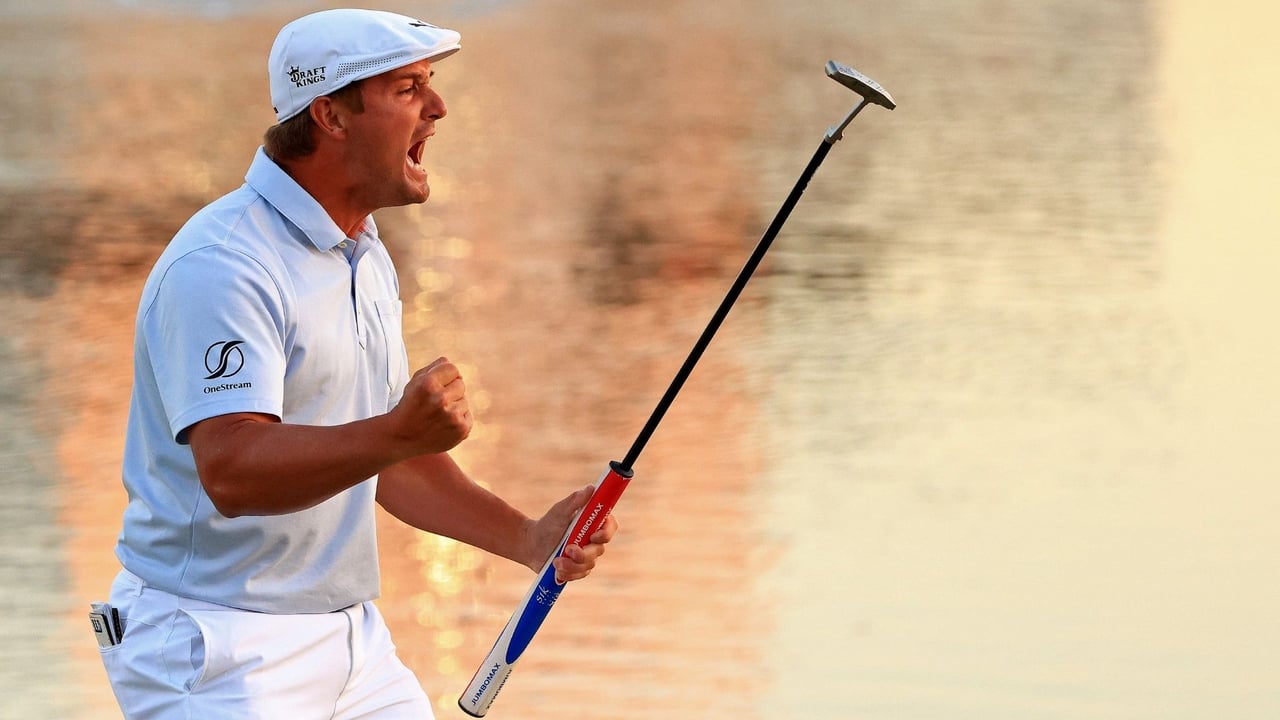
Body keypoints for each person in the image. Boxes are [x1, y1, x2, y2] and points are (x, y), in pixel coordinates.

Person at [96, 9, 616, 719]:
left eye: (429, 84)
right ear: (331, 116)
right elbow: (234, 471)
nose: (438, 107)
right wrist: (396, 434)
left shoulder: (363, 253)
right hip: (212, 647)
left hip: (351, 642)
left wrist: (527, 538)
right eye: (408, 88)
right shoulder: (223, 264)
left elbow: (382, 461)